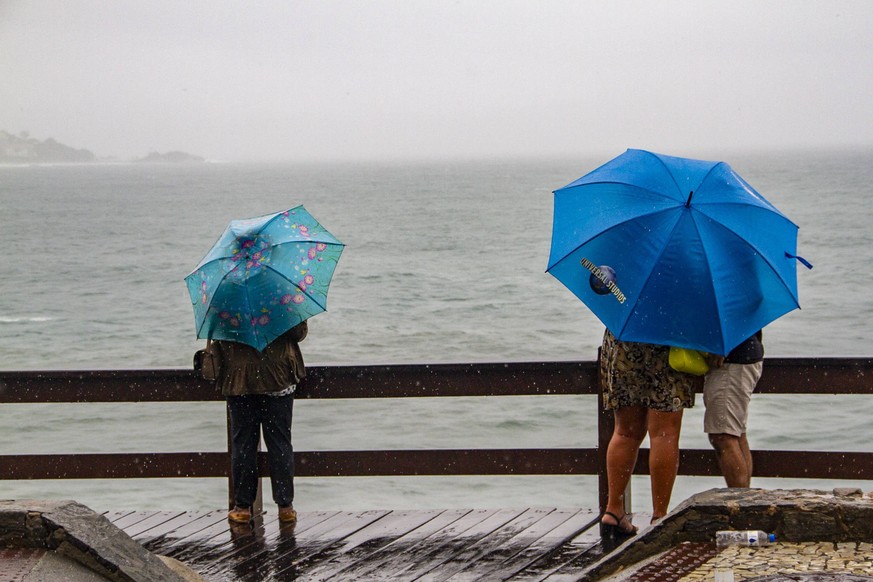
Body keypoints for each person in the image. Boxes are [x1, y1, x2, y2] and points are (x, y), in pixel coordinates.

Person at [201, 321, 308, 524]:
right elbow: (298, 333)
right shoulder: (279, 294)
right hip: (277, 377)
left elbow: (217, 332)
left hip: (238, 380)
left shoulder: (225, 297)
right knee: (280, 444)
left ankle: (242, 507)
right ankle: (285, 506)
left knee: (243, 445)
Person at [598, 329, 696, 545]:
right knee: (664, 434)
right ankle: (659, 517)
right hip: (666, 343)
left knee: (625, 432)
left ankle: (613, 511)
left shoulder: (627, 293)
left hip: (623, 342)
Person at [703, 330, 764, 488]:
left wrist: (722, 345)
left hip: (732, 361)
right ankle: (744, 500)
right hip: (745, 354)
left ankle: (739, 502)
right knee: (736, 433)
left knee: (723, 436)